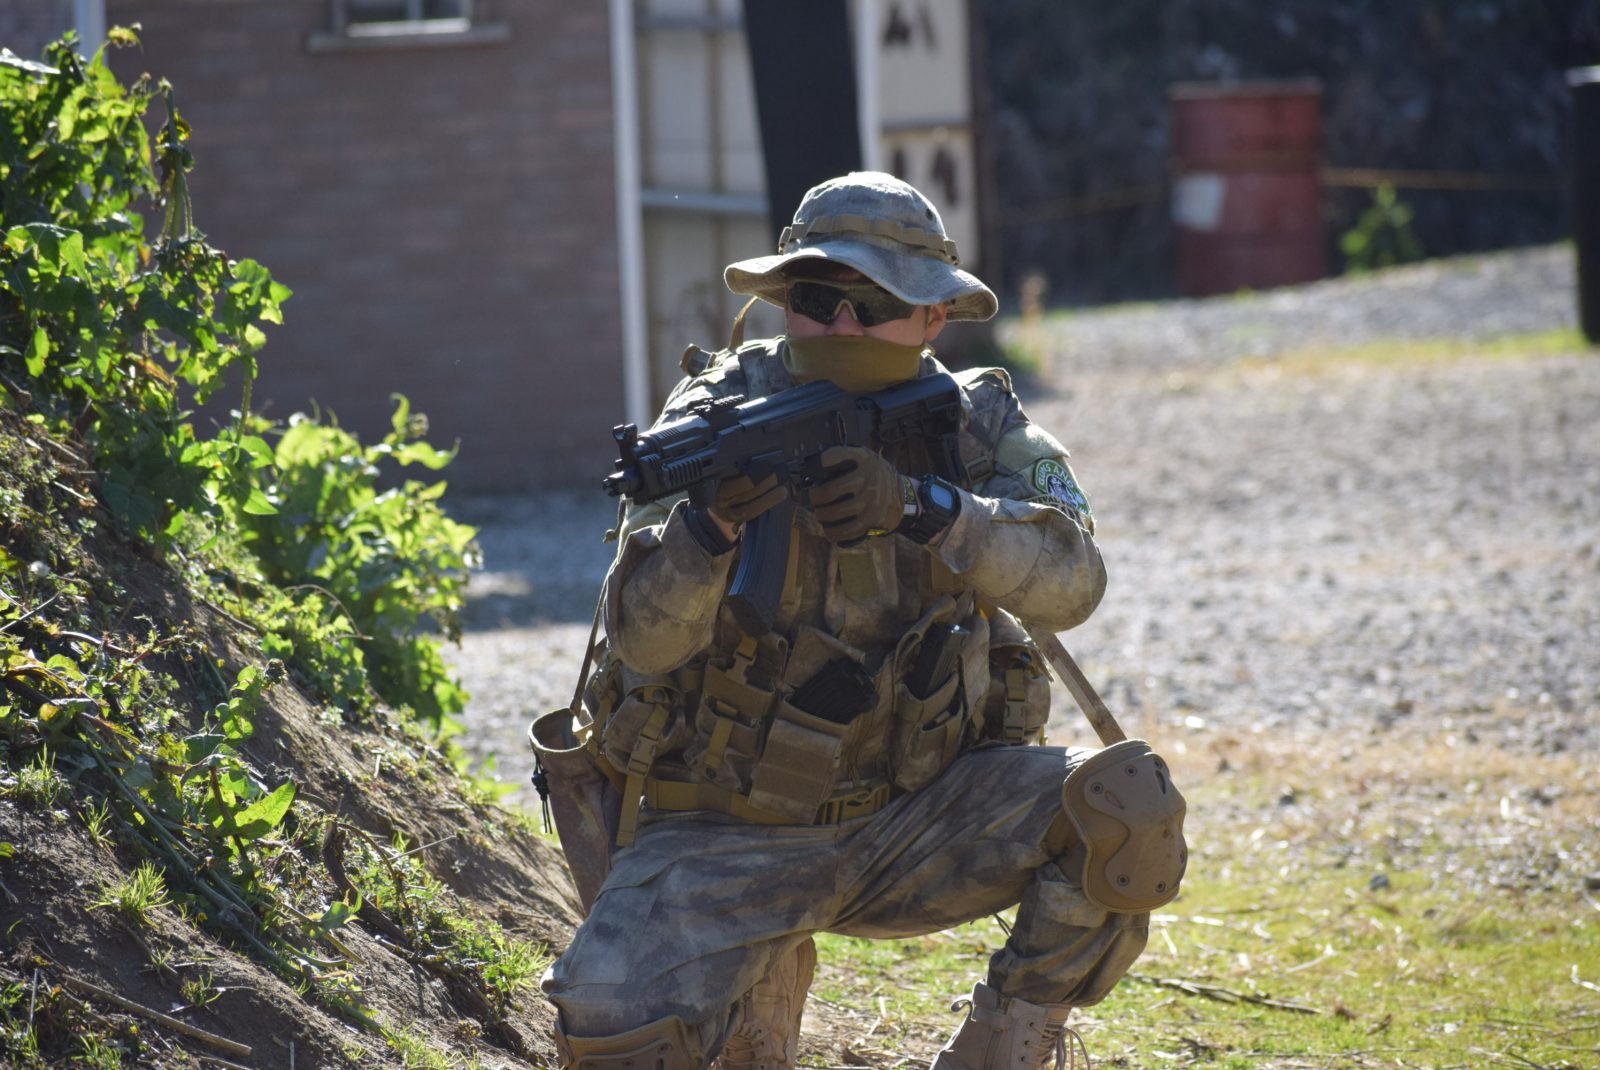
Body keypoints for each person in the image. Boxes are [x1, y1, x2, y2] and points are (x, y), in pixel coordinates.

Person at [541, 172, 1187, 1070]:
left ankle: (1001, 1050)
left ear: (933, 317)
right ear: (785, 303)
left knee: (1126, 810)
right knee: (607, 1026)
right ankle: (747, 1003)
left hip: (924, 815)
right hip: (731, 836)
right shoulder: (713, 418)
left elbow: (1074, 584)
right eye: (817, 299)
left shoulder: (974, 420)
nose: (842, 325)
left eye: (873, 303)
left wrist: (929, 509)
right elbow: (645, 643)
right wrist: (709, 529)